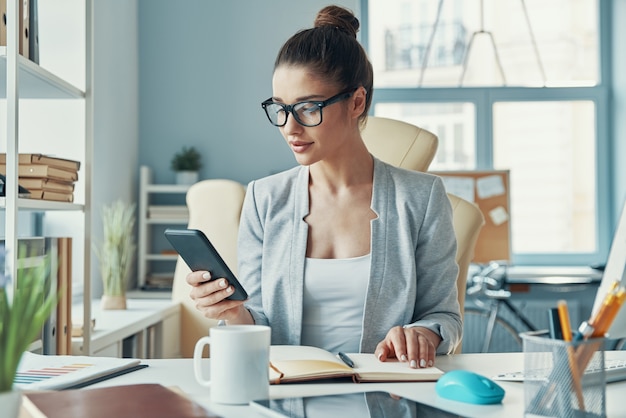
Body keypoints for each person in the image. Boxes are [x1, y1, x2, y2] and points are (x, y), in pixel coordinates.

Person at [187, 5, 462, 371]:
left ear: (357, 102)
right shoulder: (264, 199)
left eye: (308, 108)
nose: (290, 128)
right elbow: (259, 320)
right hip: (286, 395)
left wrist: (423, 334)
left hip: (386, 395)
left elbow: (444, 316)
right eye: (280, 109)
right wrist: (233, 312)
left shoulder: (422, 198)